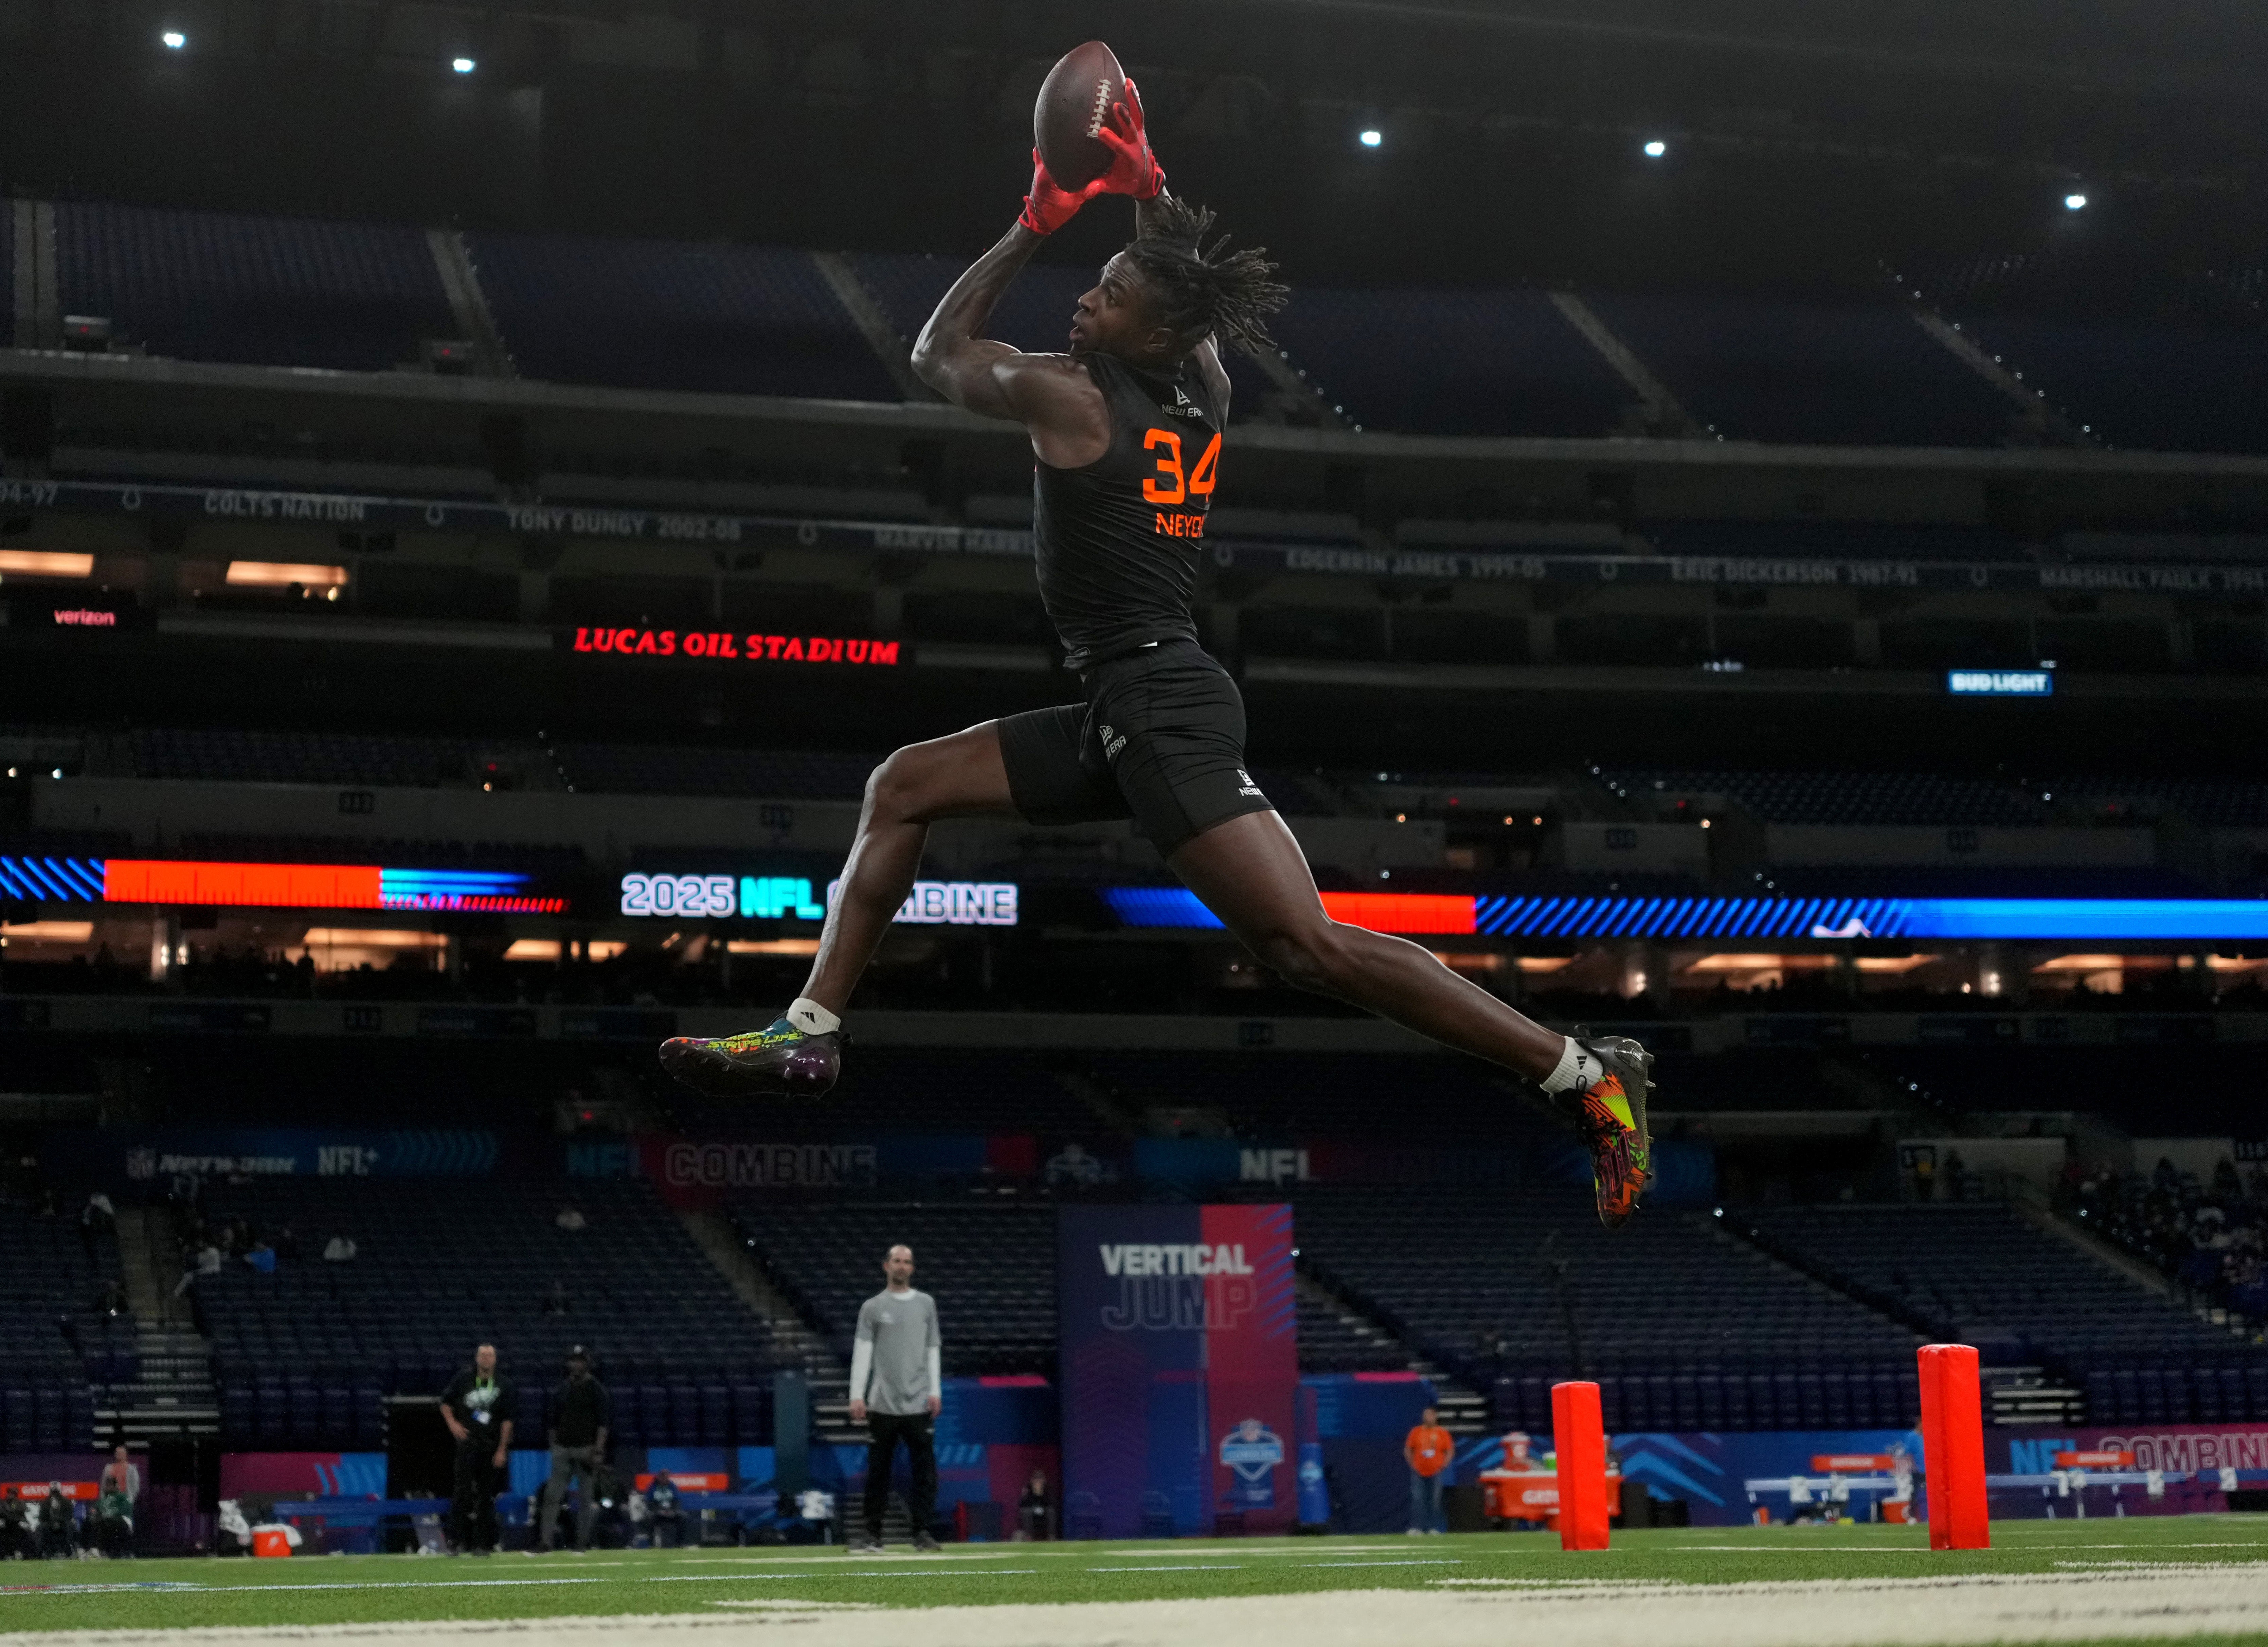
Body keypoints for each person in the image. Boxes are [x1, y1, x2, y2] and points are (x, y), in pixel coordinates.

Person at [654, 79, 1654, 1232]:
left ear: (1152, 330)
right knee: (906, 782)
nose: (1089, 295)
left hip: (1160, 704)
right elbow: (1189, 304)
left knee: (1306, 943)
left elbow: (936, 349)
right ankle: (813, 1031)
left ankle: (1583, 1075)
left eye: (1111, 291)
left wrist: (1034, 221)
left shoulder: (1075, 399)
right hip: (1121, 701)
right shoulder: (1202, 392)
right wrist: (1149, 191)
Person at [848, 1243, 942, 1554]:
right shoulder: (872, 1307)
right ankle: (872, 1535)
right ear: (886, 1265)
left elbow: (933, 1349)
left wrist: (935, 1391)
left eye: (907, 1262)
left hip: (918, 1403)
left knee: (925, 1473)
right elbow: (863, 1352)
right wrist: (857, 1395)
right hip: (882, 1404)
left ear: (912, 1268)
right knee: (878, 1473)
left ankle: (923, 1533)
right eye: (897, 1261)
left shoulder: (927, 1304)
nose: (902, 1266)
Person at [438, 1342, 514, 1555]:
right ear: (477, 1358)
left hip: (490, 1447)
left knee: (485, 1496)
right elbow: (445, 1403)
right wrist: (453, 1425)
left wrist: (502, 1449)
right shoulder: (464, 1379)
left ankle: (483, 1544)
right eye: (483, 1355)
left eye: (490, 1355)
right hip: (467, 1445)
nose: (486, 1359)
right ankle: (454, 1542)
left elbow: (508, 1420)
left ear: (496, 1359)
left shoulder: (504, 1385)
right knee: (461, 1493)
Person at [539, 1346, 609, 1554]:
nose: (577, 1365)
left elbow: (603, 1424)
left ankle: (582, 1543)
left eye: (581, 1361)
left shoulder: (597, 1389)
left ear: (587, 1364)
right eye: (573, 1361)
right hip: (563, 1449)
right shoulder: (562, 1389)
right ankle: (545, 1542)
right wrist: (554, 1448)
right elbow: (552, 1421)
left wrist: (598, 1450)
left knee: (585, 1499)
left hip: (586, 1450)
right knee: (552, 1496)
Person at [1404, 1404, 1453, 1535]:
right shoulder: (1416, 1432)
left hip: (1436, 1471)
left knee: (1435, 1500)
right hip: (1418, 1471)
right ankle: (1417, 1528)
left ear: (1435, 1417)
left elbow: (1449, 1451)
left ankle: (1434, 1528)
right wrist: (1412, 1464)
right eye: (1426, 1415)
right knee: (1418, 1499)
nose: (1428, 1417)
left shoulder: (1442, 1433)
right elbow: (1408, 1449)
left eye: (1431, 1415)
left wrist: (1444, 1465)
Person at [100, 1446, 140, 1559]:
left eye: (121, 1453)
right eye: (117, 1453)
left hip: (124, 1502)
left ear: (126, 1455)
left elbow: (135, 1487)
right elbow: (104, 1486)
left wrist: (129, 1502)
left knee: (124, 1527)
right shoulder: (109, 1468)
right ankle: (107, 1551)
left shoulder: (131, 1469)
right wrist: (104, 1502)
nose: (119, 1455)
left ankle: (127, 1551)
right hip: (111, 1502)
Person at [39, 1483, 76, 1558]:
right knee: (42, 1528)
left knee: (69, 1526)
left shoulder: (67, 1502)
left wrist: (59, 1521)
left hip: (63, 1523)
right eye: (53, 1492)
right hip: (50, 1524)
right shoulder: (45, 1503)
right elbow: (42, 1517)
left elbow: (69, 1516)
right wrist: (52, 1523)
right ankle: (48, 1552)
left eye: (56, 1492)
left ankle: (68, 1551)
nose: (55, 1494)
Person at [1016, 1468, 1054, 1541]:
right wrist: (1034, 1494)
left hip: (1044, 1514)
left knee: (1051, 1512)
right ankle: (1029, 1536)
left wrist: (1040, 1494)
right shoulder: (1028, 1490)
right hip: (1032, 1513)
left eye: (1040, 1479)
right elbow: (1023, 1505)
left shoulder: (1048, 1490)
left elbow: (1051, 1504)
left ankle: (1051, 1536)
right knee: (1026, 1512)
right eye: (1036, 1479)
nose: (1038, 1481)